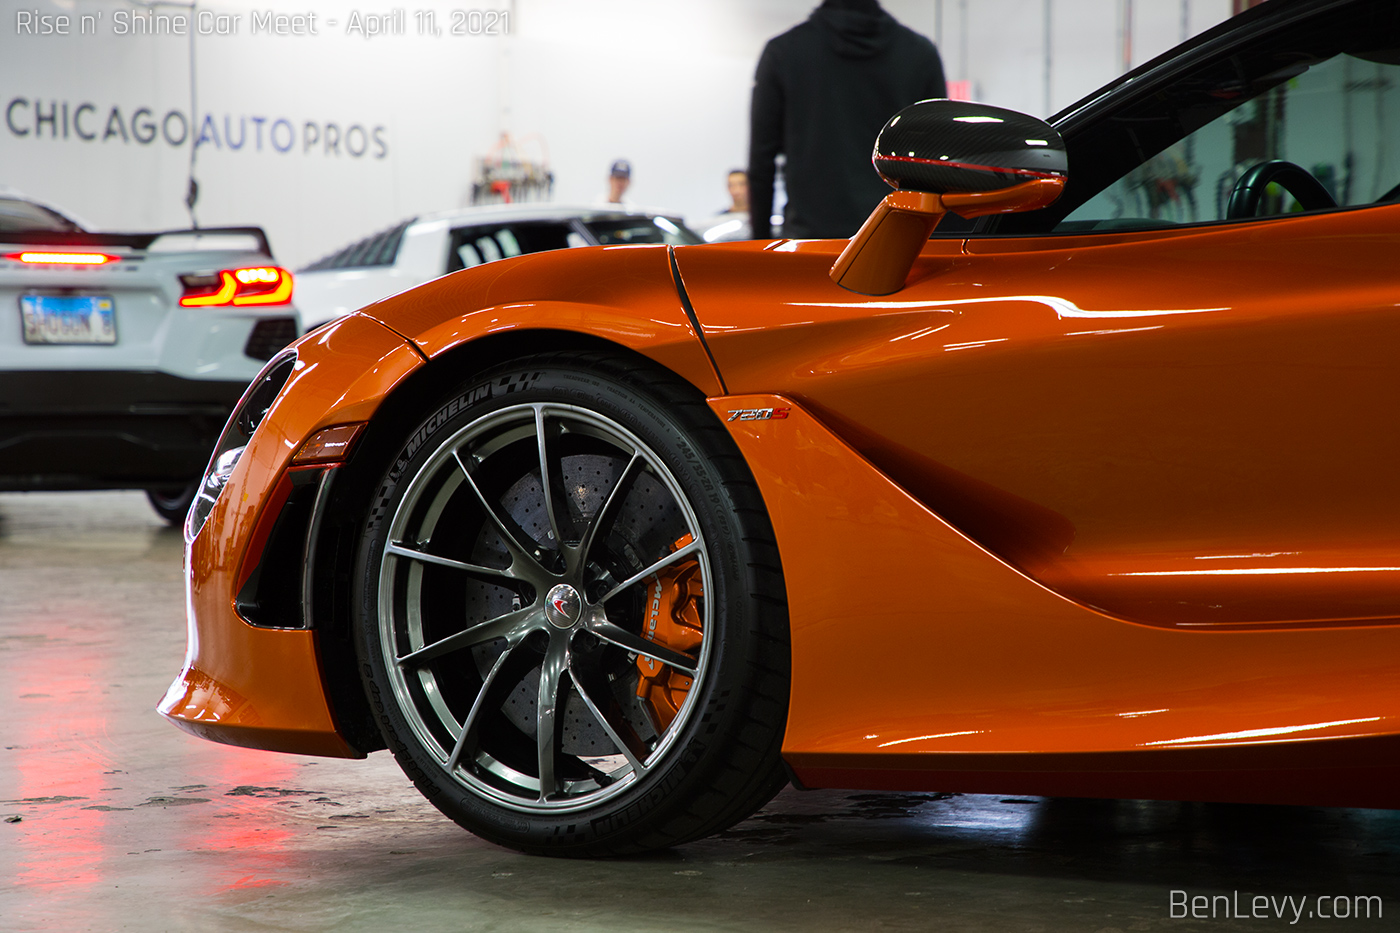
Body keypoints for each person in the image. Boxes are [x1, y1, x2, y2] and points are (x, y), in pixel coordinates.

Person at [748, 0, 947, 240]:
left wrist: (760, 242)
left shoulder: (783, 52)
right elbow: (937, 164)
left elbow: (761, 162)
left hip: (810, 243)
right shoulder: (920, 54)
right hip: (894, 243)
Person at [694, 169, 752, 242]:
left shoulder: (761, 218)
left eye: (741, 184)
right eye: (731, 185)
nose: (736, 190)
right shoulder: (718, 220)